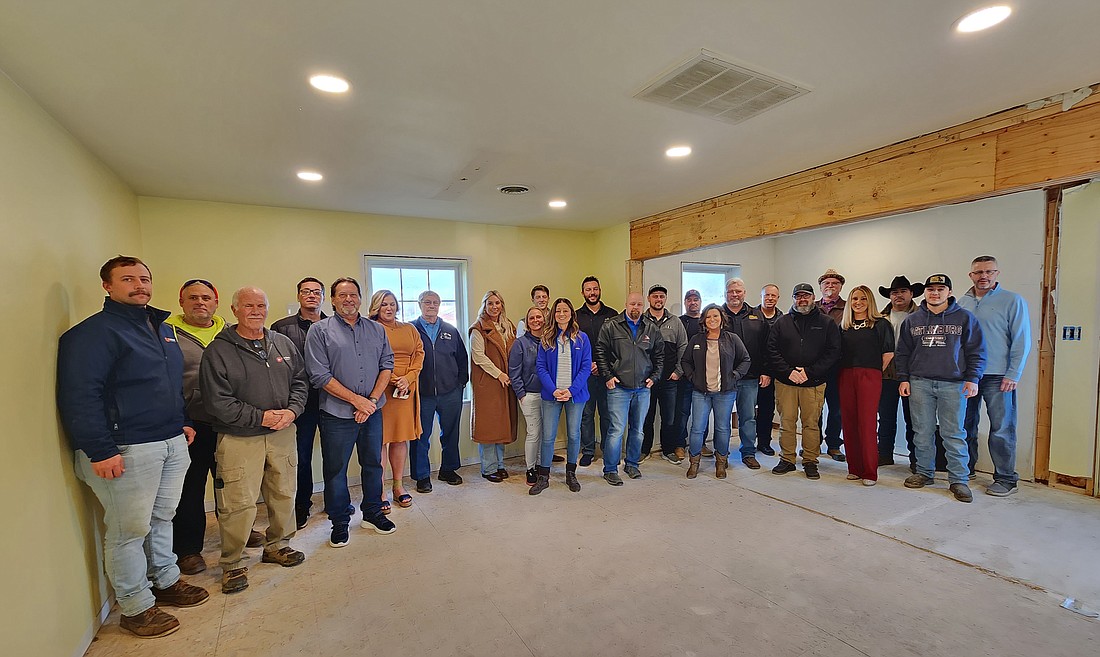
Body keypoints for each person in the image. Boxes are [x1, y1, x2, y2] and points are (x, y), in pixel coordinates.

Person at [58, 256, 207, 638]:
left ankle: (166, 581)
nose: (139, 285)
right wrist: (99, 449)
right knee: (128, 530)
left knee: (161, 518)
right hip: (126, 447)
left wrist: (183, 424)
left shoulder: (160, 327)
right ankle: (135, 606)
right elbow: (80, 395)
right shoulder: (93, 333)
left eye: (144, 278)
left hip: (171, 440)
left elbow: (169, 384)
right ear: (107, 286)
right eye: (128, 278)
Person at [199, 287, 309, 594]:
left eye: (261, 305)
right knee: (238, 503)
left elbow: (300, 380)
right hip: (239, 438)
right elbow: (217, 401)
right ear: (235, 310)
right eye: (249, 305)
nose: (256, 311)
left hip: (283, 434)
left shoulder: (282, 343)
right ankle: (233, 563)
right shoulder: (219, 351)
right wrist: (259, 417)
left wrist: (292, 411)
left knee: (284, 492)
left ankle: (278, 546)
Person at [304, 277, 396, 548]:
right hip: (336, 415)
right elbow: (319, 375)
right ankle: (340, 522)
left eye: (353, 294)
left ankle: (373, 513)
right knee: (336, 471)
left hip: (372, 411)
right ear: (332, 299)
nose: (348, 300)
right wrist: (358, 401)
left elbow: (386, 364)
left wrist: (371, 400)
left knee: (373, 464)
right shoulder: (319, 331)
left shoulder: (376, 330)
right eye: (342, 295)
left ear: (360, 298)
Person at [897, 274, 986, 503]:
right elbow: (903, 353)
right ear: (925, 293)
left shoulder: (965, 319)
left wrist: (973, 379)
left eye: (940, 289)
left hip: (954, 384)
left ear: (949, 292)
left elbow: (976, 351)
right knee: (922, 431)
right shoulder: (913, 320)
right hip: (919, 383)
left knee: (954, 433)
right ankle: (924, 473)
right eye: (931, 289)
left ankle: (959, 479)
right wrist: (904, 379)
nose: (935, 293)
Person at [165, 279, 228, 575]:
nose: (200, 302)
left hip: (229, 422)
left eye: (206, 297)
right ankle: (188, 549)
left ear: (216, 302)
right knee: (190, 490)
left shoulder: (229, 332)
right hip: (190, 424)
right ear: (182, 302)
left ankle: (236, 534)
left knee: (231, 484)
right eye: (193, 298)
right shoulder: (165, 333)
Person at [958, 256, 1030, 496]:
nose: (983, 276)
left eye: (989, 271)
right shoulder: (962, 302)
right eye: (978, 272)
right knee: (965, 425)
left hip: (999, 376)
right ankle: (965, 470)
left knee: (1001, 428)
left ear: (997, 273)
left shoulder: (1012, 301)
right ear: (971, 275)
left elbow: (1021, 339)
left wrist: (1013, 373)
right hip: (968, 376)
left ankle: (1006, 478)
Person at [767, 283, 841, 480]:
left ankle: (810, 460)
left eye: (806, 296)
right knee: (787, 422)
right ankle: (787, 460)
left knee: (811, 424)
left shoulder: (826, 323)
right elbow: (772, 351)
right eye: (798, 296)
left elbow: (833, 352)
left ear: (813, 297)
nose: (802, 299)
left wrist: (809, 372)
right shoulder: (781, 323)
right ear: (793, 299)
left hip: (814, 383)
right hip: (786, 382)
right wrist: (788, 372)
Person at [271, 277, 327, 529]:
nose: (312, 296)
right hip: (299, 403)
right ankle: (302, 504)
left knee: (334, 454)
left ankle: (336, 501)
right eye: (306, 292)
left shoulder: (333, 325)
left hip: (331, 400)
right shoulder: (281, 328)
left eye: (317, 292)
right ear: (298, 296)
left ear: (324, 297)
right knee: (301, 456)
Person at [595, 292, 664, 484]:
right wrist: (608, 376)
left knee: (638, 429)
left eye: (639, 304)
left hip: (643, 387)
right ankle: (610, 469)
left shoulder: (651, 327)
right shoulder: (611, 325)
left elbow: (659, 355)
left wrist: (654, 377)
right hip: (619, 388)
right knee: (616, 429)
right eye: (632, 303)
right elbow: (600, 351)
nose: (636, 307)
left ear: (644, 306)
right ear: (626, 304)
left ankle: (632, 464)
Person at [369, 290, 425, 511]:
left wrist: (408, 378)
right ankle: (379, 490)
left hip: (406, 390)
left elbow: (419, 354)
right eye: (384, 305)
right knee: (381, 440)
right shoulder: (371, 329)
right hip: (382, 388)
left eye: (392, 304)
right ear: (376, 308)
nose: (389, 308)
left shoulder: (409, 329)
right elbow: (369, 358)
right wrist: (392, 379)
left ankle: (398, 486)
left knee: (401, 439)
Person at [681, 304, 751, 479]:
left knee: (722, 428)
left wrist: (735, 375)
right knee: (697, 428)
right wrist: (692, 377)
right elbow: (685, 361)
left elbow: (745, 359)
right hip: (701, 392)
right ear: (704, 320)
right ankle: (694, 463)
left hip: (725, 393)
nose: (712, 320)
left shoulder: (732, 339)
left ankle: (721, 462)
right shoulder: (697, 340)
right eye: (709, 317)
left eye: (716, 316)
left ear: (722, 319)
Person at [410, 290, 469, 491]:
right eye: (427, 302)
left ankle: (448, 470)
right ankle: (422, 476)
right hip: (422, 393)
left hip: (450, 392)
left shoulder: (450, 330)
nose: (432, 306)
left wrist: (460, 383)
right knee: (420, 436)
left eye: (435, 302)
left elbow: (462, 358)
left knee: (450, 433)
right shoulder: (410, 329)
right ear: (420, 304)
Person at [533, 298, 592, 494]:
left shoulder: (582, 338)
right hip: (552, 395)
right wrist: (554, 390)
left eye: (565, 310)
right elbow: (541, 367)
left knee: (574, 435)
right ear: (554, 314)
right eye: (558, 310)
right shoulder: (547, 338)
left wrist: (571, 391)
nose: (561, 314)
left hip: (575, 395)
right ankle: (543, 476)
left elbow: (585, 368)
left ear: (571, 313)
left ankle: (571, 473)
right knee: (548, 437)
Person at [837, 286, 894, 486]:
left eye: (862, 298)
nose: (858, 302)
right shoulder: (844, 326)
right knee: (849, 422)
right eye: (854, 299)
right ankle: (854, 468)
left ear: (869, 301)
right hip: (845, 375)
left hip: (870, 374)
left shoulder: (880, 324)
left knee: (867, 422)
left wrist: (873, 371)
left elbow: (888, 353)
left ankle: (869, 472)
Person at [720, 278, 771, 469]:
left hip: (750, 377)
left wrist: (765, 371)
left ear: (744, 293)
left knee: (748, 417)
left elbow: (767, 346)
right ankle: (721, 453)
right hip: (723, 378)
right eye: (731, 291)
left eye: (738, 291)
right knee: (722, 418)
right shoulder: (717, 314)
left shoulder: (757, 316)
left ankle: (748, 452)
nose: (735, 294)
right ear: (725, 293)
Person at [469, 290, 519, 482]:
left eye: (497, 303)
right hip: (488, 383)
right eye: (490, 303)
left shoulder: (508, 326)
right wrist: (499, 374)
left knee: (502, 424)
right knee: (489, 426)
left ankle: (500, 464)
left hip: (506, 381)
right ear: (484, 305)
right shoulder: (478, 328)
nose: (494, 307)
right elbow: (478, 356)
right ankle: (488, 468)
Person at [877, 275, 923, 471]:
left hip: (912, 375)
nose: (898, 295)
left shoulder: (922, 315)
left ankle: (915, 458)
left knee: (913, 419)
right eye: (894, 292)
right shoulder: (880, 317)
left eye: (903, 291)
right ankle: (884, 454)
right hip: (886, 374)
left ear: (911, 293)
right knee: (885, 417)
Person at [641, 284, 688, 464]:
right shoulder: (642, 321)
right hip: (646, 380)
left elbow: (683, 347)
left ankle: (668, 450)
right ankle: (644, 449)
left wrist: (678, 371)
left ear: (665, 299)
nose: (658, 300)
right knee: (646, 417)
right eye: (655, 297)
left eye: (661, 296)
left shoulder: (675, 322)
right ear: (649, 299)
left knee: (669, 418)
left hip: (670, 379)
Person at [576, 276, 618, 467]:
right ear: (582, 292)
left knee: (607, 414)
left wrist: (602, 365)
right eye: (588, 290)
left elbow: (617, 345)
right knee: (586, 413)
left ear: (600, 290)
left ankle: (609, 450)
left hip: (607, 373)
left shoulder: (613, 314)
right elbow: (574, 345)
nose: (592, 293)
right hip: (584, 374)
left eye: (595, 289)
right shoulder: (576, 316)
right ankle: (588, 450)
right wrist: (589, 364)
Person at [510, 306, 547, 486]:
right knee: (533, 433)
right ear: (527, 321)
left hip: (549, 395)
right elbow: (514, 372)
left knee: (546, 433)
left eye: (539, 317)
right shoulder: (520, 343)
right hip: (529, 395)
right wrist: (521, 394)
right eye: (531, 317)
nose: (536, 320)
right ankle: (531, 468)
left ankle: (542, 465)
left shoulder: (550, 341)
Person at [817, 268, 847, 462]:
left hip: (839, 367)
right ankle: (813, 443)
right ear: (820, 287)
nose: (830, 286)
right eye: (826, 283)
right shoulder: (811, 308)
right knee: (815, 408)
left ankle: (834, 444)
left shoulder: (848, 308)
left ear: (841, 286)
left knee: (836, 408)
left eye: (834, 283)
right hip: (816, 367)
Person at [677, 289, 708, 455]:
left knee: (702, 413)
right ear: (685, 303)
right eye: (689, 300)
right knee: (682, 412)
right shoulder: (679, 322)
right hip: (684, 375)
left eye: (696, 299)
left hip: (705, 376)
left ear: (700, 302)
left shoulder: (707, 322)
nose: (693, 302)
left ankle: (702, 444)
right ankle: (680, 445)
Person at [755, 284, 783, 456]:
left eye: (773, 295)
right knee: (748, 411)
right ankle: (748, 443)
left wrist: (769, 372)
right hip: (752, 372)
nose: (770, 298)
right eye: (767, 295)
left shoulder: (784, 319)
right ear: (761, 296)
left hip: (774, 373)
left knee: (767, 410)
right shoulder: (751, 316)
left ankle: (764, 442)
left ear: (778, 298)